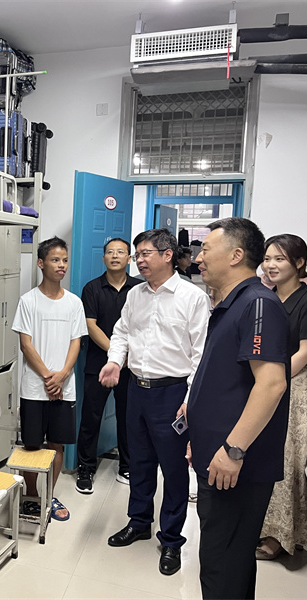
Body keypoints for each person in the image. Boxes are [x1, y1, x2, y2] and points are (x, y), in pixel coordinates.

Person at [188, 217, 290, 600]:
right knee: (230, 562)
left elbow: (271, 384)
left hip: (236, 467)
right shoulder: (231, 304)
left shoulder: (257, 304)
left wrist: (233, 450)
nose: (198, 258)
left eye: (206, 250)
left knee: (221, 565)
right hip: (219, 459)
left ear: (235, 255)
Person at [100, 228, 209, 577]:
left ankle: (172, 539)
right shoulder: (136, 295)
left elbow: (201, 355)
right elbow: (122, 332)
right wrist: (115, 361)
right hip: (136, 389)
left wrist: (190, 400)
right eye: (138, 255)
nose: (139, 261)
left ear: (167, 255)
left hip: (173, 394)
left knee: (174, 468)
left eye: (145, 253)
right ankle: (139, 522)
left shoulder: (192, 298)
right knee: (140, 461)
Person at [257, 234, 307, 560]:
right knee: (266, 457)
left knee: (288, 461)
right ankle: (266, 527)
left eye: (279, 259)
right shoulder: (268, 298)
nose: (271, 265)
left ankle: (281, 537)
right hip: (268, 382)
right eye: (267, 258)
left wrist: (274, 380)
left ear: (299, 263)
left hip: (296, 386)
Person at [11, 236, 85, 522]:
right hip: (34, 388)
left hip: (64, 388)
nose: (61, 265)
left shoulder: (74, 303)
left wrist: (62, 375)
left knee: (57, 445)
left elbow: (76, 342)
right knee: (32, 445)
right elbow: (26, 344)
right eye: (55, 260)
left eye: (64, 260)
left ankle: (48, 496)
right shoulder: (28, 301)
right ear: (41, 263)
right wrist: (48, 377)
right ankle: (31, 496)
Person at [76, 237, 141, 494]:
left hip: (131, 366)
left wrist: (124, 358)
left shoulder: (139, 289)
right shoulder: (92, 288)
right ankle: (85, 468)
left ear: (129, 258)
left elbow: (142, 326)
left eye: (120, 252)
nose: (115, 256)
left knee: (128, 418)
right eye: (110, 252)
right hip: (98, 364)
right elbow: (90, 325)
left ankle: (127, 466)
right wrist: (116, 354)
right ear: (103, 258)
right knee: (91, 417)